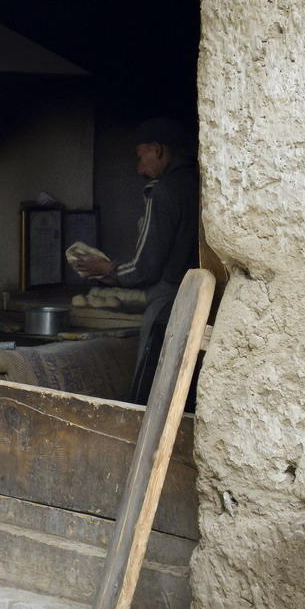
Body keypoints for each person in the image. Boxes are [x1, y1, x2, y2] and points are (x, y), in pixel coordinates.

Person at [75, 118, 199, 404]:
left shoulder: (164, 190)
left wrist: (111, 270)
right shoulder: (197, 183)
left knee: (151, 389)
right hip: (196, 300)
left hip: (168, 303)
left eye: (141, 156)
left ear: (157, 150)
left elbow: (146, 267)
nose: (139, 168)